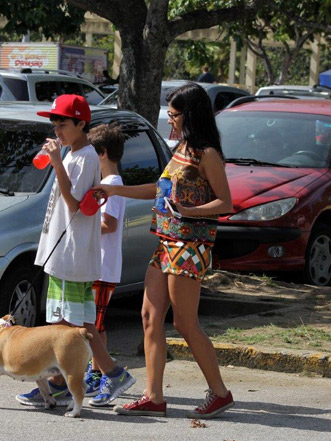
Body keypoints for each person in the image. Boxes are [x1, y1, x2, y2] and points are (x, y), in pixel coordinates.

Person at [94, 83, 234, 418]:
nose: (168, 121)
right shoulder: (181, 147)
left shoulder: (207, 154)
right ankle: (153, 396)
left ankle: (220, 392)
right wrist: (114, 192)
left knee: (185, 323)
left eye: (173, 116)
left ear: (190, 116)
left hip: (189, 246)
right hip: (166, 244)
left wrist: (190, 211)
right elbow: (160, 190)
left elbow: (225, 202)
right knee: (149, 317)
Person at [15, 95, 135, 409]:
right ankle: (100, 375)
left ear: (81, 124)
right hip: (64, 251)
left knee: (69, 325)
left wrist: (57, 163)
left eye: (63, 124)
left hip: (73, 252)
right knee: (75, 323)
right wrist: (57, 160)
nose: (57, 130)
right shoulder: (73, 153)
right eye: (54, 124)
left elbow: (77, 207)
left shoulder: (84, 157)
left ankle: (65, 383)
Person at [83, 123, 132, 407]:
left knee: (93, 325)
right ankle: (96, 371)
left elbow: (109, 223)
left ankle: (106, 374)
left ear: (101, 153)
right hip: (99, 266)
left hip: (103, 266)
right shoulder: (109, 183)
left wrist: (83, 222)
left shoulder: (112, 185)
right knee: (96, 324)